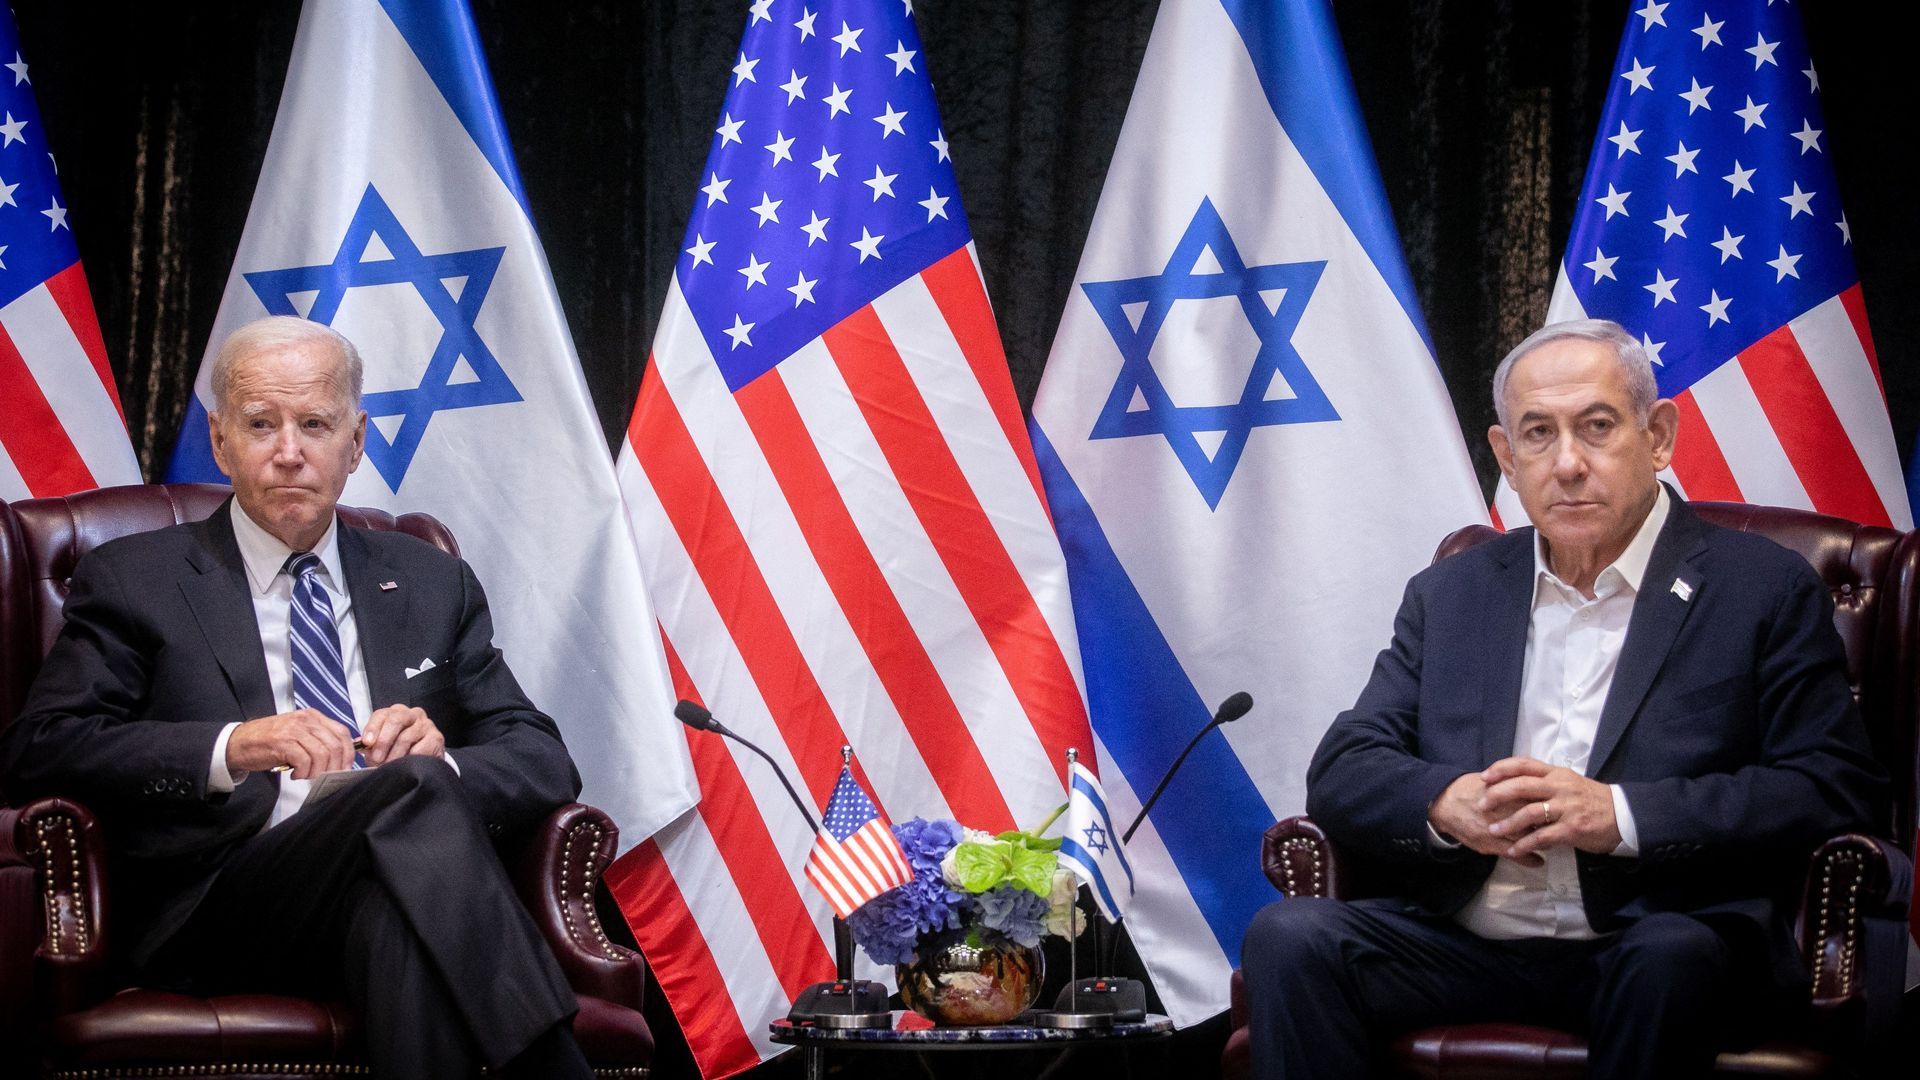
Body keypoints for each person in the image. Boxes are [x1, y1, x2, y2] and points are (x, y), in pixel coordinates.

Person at [1240, 319, 1885, 1077]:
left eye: (1598, 427)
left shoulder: (1762, 590)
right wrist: (1445, 804)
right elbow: (1346, 766)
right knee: (1288, 938)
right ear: (1507, 458)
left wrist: (1616, 817)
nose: (1569, 463)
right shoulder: (1453, 592)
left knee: (1667, 957)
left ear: (1659, 436)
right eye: (1538, 435)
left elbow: (1828, 787)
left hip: (1659, 938)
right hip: (1468, 939)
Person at [0, 316, 592, 1079]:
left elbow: (542, 756)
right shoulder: (133, 577)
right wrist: (231, 747)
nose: (288, 452)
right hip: (220, 906)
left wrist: (441, 765)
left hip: (386, 888)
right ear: (220, 442)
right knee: (403, 793)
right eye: (259, 424)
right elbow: (40, 746)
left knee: (395, 895)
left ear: (356, 442)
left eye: (315, 424)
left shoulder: (428, 578)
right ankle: (553, 1062)